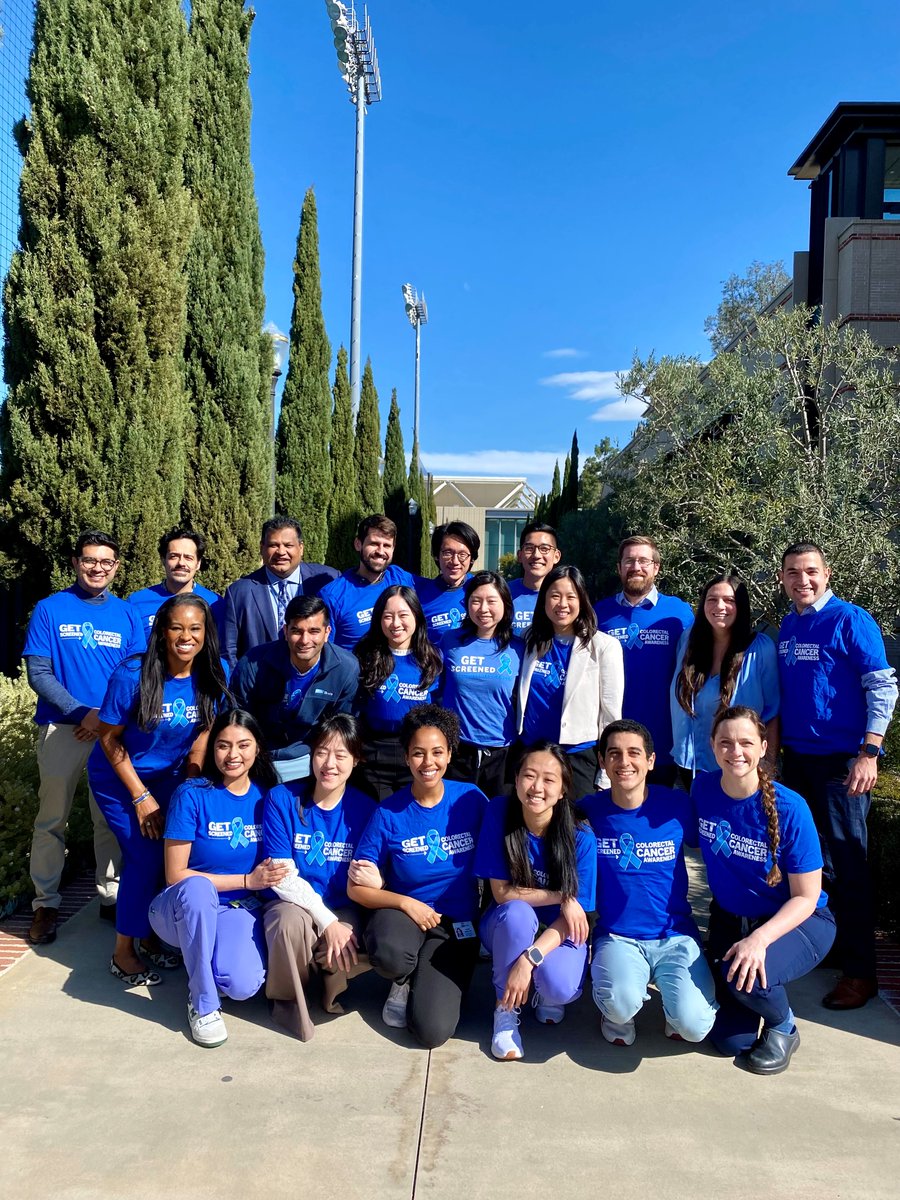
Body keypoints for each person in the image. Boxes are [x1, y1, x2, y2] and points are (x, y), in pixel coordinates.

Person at [777, 542, 897, 1010]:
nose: (801, 580)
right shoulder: (790, 624)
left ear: (826, 573)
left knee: (849, 865)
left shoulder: (852, 619)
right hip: (798, 761)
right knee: (814, 862)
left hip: (842, 763)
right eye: (792, 573)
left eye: (810, 572)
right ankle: (833, 948)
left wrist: (870, 751)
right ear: (783, 578)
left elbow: (882, 685)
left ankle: (860, 973)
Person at [89, 594, 231, 985]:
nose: (186, 637)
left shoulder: (215, 672)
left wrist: (190, 782)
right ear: (162, 632)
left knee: (174, 852)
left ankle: (151, 937)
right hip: (120, 778)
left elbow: (204, 732)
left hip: (171, 776)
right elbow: (109, 738)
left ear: (206, 633)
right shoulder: (132, 675)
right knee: (145, 856)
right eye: (177, 628)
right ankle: (123, 951)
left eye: (195, 628)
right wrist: (140, 796)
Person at [695, 705, 836, 1074]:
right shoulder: (703, 789)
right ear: (712, 746)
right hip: (731, 919)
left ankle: (784, 1026)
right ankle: (754, 997)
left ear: (762, 747)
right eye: (725, 742)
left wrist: (759, 940)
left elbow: (806, 897)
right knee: (730, 1042)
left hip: (798, 921)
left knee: (744, 981)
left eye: (745, 742)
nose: (735, 751)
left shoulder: (791, 809)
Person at [23, 530, 145, 945]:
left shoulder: (127, 615)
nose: (98, 568)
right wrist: (83, 713)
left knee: (108, 819)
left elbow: (138, 673)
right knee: (51, 820)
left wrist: (107, 719)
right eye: (90, 560)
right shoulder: (49, 609)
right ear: (75, 562)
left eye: (106, 562)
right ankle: (46, 905)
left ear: (116, 567)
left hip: (111, 731)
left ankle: (110, 897)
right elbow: (39, 673)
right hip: (63, 729)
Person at [347, 705, 487, 1049]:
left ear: (450, 753)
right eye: (418, 753)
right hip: (404, 915)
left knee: (432, 1031)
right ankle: (402, 978)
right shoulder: (389, 812)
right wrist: (406, 903)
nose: (429, 762)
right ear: (407, 757)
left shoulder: (471, 799)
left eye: (437, 752)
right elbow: (356, 888)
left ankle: (429, 983)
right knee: (390, 952)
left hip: (456, 925)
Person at [148, 710, 288, 1047]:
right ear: (212, 750)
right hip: (180, 906)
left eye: (243, 745)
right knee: (197, 888)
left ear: (257, 750)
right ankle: (203, 1003)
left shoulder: (269, 796)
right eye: (223, 746)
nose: (233, 755)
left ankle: (203, 958)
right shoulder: (192, 793)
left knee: (242, 986)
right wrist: (246, 880)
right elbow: (175, 875)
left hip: (238, 908)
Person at [581, 720, 717, 1048]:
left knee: (695, 1027)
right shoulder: (587, 811)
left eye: (634, 753)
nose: (624, 762)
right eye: (614, 754)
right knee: (620, 1002)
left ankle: (675, 1010)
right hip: (618, 937)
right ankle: (616, 1015)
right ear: (602, 761)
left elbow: (713, 844)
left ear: (651, 761)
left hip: (675, 936)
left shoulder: (677, 806)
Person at [474, 742, 596, 1061]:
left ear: (563, 790)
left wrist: (530, 960)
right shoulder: (499, 813)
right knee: (517, 913)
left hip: (560, 930)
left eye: (549, 779)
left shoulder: (580, 835)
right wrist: (563, 896)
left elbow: (574, 919)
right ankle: (505, 1012)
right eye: (529, 776)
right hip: (505, 924)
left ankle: (539, 986)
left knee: (561, 988)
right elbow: (502, 893)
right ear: (516, 780)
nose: (537, 787)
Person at [262, 714, 377, 1040]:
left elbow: (370, 871)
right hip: (291, 902)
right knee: (289, 924)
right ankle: (286, 1001)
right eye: (321, 752)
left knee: (349, 936)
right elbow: (282, 877)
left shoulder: (366, 809)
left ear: (356, 760)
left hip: (342, 903)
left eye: (341, 755)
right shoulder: (281, 799)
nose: (329, 763)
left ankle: (330, 987)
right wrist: (327, 922)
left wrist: (373, 881)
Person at [517, 565, 624, 799]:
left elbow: (610, 714)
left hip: (579, 757)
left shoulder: (603, 647)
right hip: (533, 753)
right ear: (543, 600)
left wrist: (606, 773)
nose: (562, 604)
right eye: (554, 596)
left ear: (582, 600)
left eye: (570, 597)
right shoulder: (527, 639)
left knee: (577, 828)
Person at [594, 536, 694, 785]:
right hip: (615, 738)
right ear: (619, 568)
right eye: (629, 561)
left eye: (643, 561)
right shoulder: (599, 613)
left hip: (664, 739)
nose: (636, 567)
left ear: (656, 567)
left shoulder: (679, 613)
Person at [231, 595, 358, 781]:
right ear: (285, 631)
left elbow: (341, 730)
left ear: (327, 632)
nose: (305, 640)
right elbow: (236, 719)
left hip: (309, 757)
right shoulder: (253, 663)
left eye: (314, 631)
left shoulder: (346, 669)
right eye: (296, 631)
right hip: (257, 754)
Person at [670, 573, 779, 781]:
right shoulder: (688, 642)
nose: (719, 606)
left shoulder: (760, 650)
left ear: (742, 606)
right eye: (712, 599)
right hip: (687, 766)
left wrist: (767, 766)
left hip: (737, 768)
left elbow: (772, 714)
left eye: (729, 601)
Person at [353, 586, 442, 800]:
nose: (396, 624)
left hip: (415, 755)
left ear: (417, 617)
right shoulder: (364, 656)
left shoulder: (433, 659)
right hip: (373, 755)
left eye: (403, 615)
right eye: (388, 616)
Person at [440, 571, 523, 797]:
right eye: (476, 601)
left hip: (502, 754)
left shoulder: (519, 647)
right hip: (457, 752)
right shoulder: (450, 641)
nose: (483, 609)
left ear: (505, 604)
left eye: (491, 601)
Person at [221, 516, 337, 668]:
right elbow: (228, 651)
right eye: (273, 545)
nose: (281, 552)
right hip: (258, 685)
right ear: (262, 547)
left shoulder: (327, 581)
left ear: (300, 548)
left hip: (315, 682)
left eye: (288, 545)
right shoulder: (239, 592)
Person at [319, 515, 415, 650]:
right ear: (358, 544)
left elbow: (441, 590)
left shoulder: (400, 578)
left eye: (387, 545)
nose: (381, 551)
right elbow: (326, 654)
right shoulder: (333, 595)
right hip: (357, 670)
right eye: (374, 544)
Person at [127, 526, 222, 644]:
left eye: (188, 557)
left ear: (198, 564)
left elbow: (222, 652)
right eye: (174, 556)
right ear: (163, 560)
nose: (181, 563)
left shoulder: (215, 604)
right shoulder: (137, 602)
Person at [414, 521, 480, 646]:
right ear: (436, 555)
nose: (455, 561)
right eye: (448, 553)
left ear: (471, 558)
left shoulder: (481, 590)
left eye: (462, 554)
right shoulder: (421, 596)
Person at [508, 522, 561, 638]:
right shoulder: (503, 593)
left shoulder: (565, 597)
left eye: (544, 549)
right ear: (520, 555)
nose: (536, 555)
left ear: (556, 556)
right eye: (529, 548)